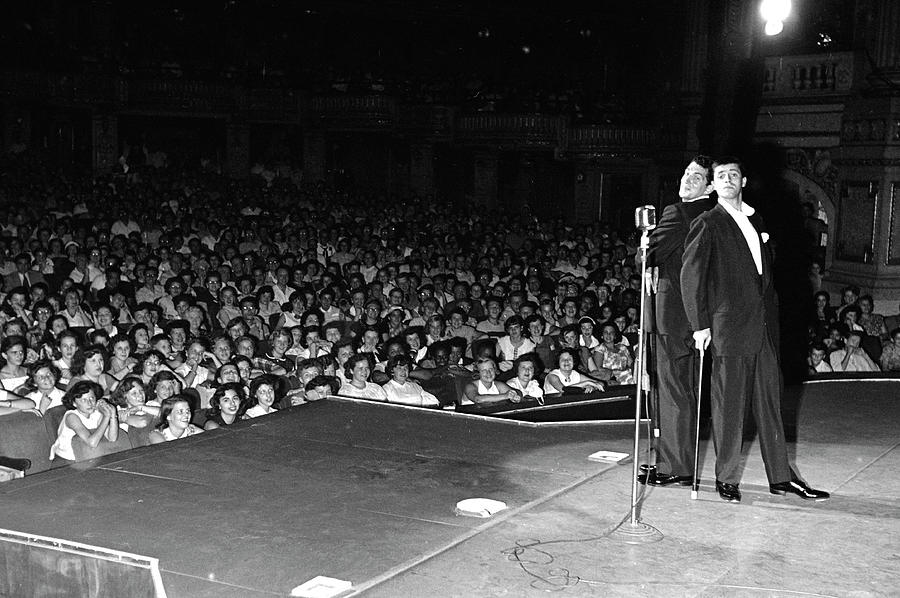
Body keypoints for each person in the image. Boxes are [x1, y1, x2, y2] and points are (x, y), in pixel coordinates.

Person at [680, 157, 829, 503]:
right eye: (721, 176)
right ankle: (727, 477)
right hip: (729, 328)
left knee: (770, 404)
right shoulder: (708, 223)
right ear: (713, 185)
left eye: (734, 174)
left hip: (762, 327)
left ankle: (781, 477)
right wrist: (700, 325)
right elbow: (691, 277)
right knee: (730, 406)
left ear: (743, 181)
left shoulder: (754, 219)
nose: (728, 179)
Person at [639, 155, 716, 487]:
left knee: (672, 392)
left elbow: (648, 252)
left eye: (696, 177)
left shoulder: (678, 212)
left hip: (672, 314)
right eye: (686, 173)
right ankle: (677, 461)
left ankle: (675, 467)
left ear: (709, 186)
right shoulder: (715, 216)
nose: (687, 179)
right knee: (686, 391)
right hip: (698, 316)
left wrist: (646, 256)